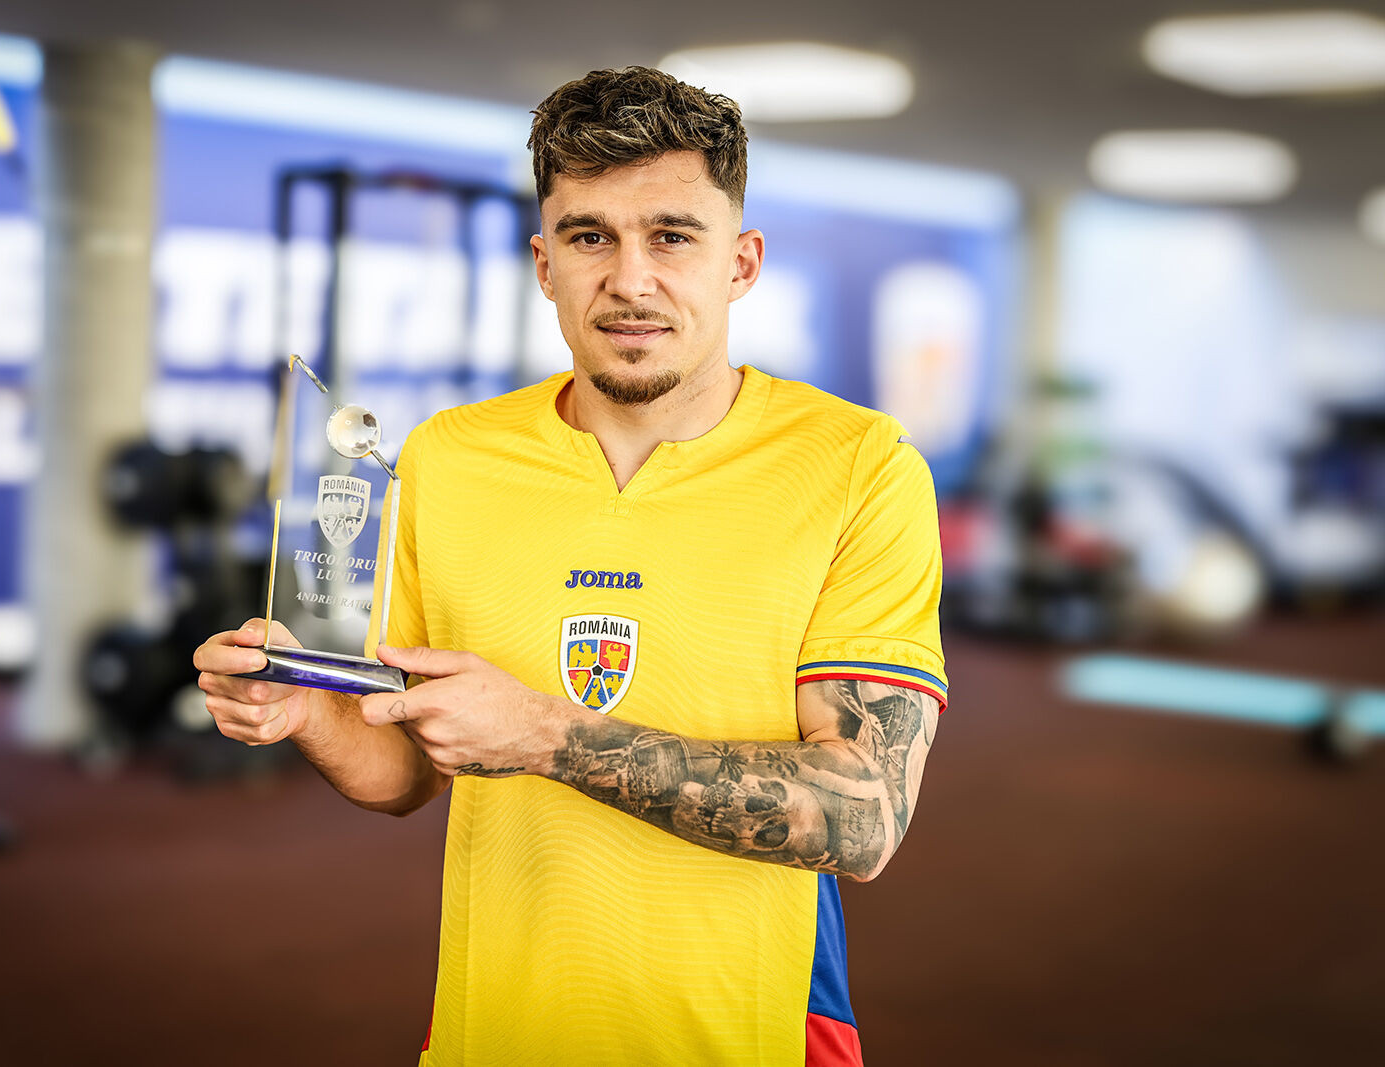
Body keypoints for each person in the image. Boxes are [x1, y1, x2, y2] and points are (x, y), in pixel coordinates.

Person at [194, 66, 946, 1066]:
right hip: (491, 1033)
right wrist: (310, 716)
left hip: (747, 1035)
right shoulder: (450, 457)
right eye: (591, 237)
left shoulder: (859, 465)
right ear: (544, 264)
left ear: (741, 262)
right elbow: (408, 768)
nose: (630, 280)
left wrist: (549, 733)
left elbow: (863, 817)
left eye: (672, 237)